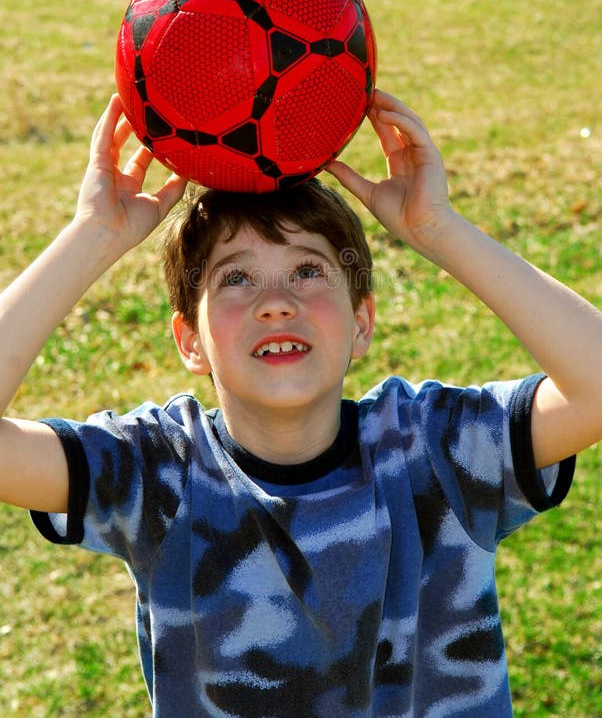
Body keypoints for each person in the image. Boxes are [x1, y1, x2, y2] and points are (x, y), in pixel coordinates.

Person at [0, 89, 600, 717]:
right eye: (236, 277)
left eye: (309, 271)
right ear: (189, 340)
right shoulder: (159, 475)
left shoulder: (432, 452)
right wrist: (92, 235)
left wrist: (437, 229)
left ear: (361, 323)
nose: (276, 301)